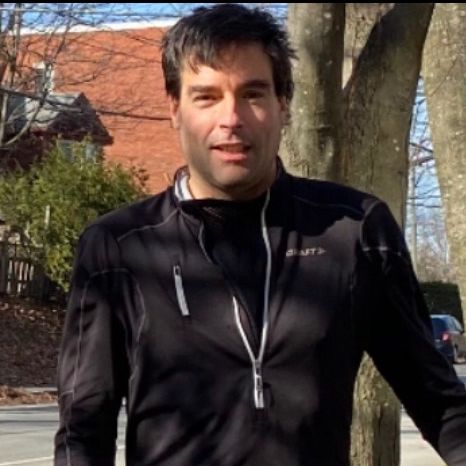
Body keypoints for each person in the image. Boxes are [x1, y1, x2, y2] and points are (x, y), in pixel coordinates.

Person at [54, 4, 466, 466]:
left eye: (252, 93)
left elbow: (440, 403)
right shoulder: (118, 247)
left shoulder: (353, 230)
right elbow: (82, 432)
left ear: (282, 104)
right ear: (175, 109)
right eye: (206, 97)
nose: (231, 118)